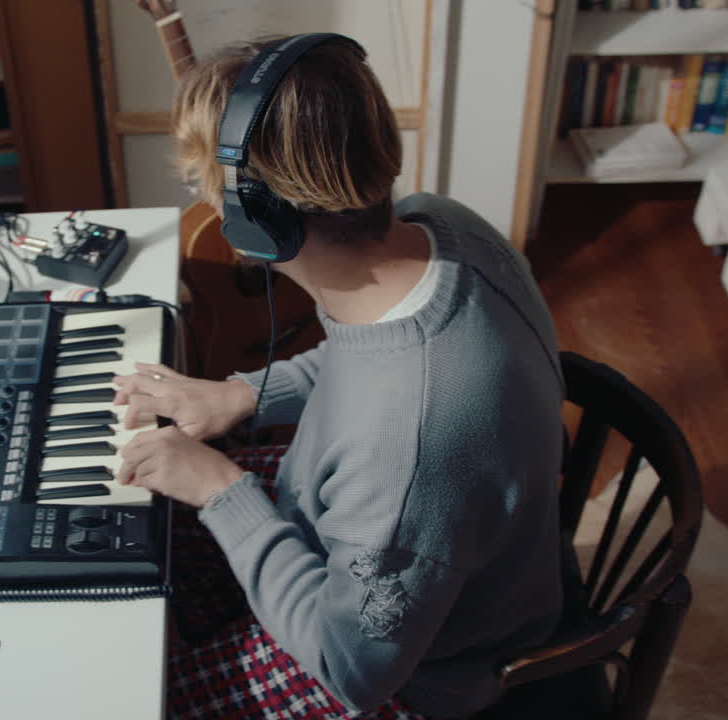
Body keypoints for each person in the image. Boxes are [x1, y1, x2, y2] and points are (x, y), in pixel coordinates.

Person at [112, 35, 566, 720]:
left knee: (143, 697)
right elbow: (374, 360)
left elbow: (347, 669)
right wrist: (242, 394)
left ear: (255, 220)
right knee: (143, 518)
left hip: (415, 675)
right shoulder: (443, 227)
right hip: (400, 539)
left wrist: (221, 490)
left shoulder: (405, 450)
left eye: (201, 186)